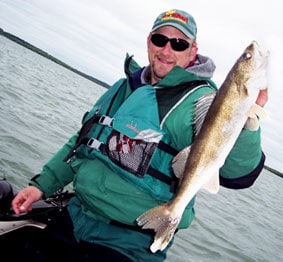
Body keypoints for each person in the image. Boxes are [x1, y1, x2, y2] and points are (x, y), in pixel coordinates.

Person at [1, 9, 268, 261]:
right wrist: (41, 185)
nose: (166, 50)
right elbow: (81, 140)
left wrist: (247, 120)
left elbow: (237, 175)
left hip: (127, 243)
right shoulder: (123, 87)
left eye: (179, 44)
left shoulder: (201, 101)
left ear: (193, 50)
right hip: (74, 216)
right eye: (160, 39)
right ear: (149, 41)